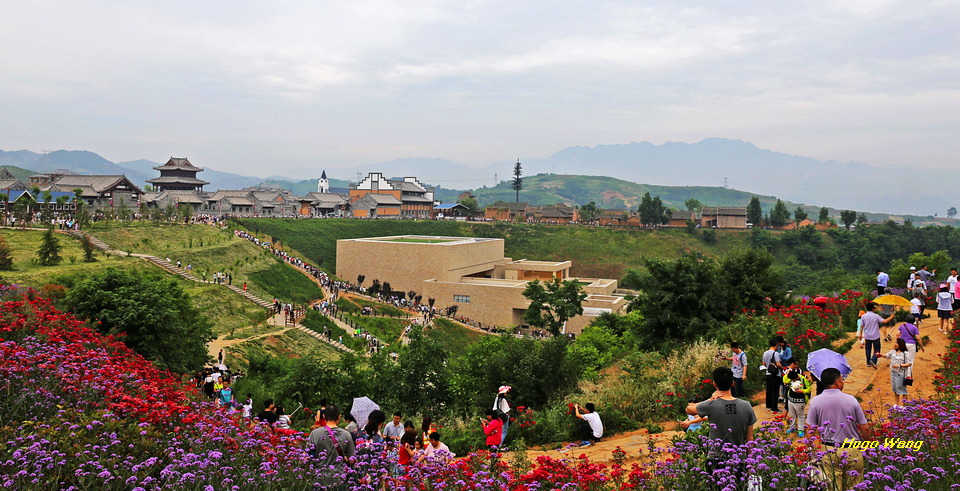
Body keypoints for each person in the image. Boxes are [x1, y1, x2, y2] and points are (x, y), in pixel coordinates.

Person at [806, 368, 871, 490]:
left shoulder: (815, 402)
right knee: (855, 486)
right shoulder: (851, 400)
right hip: (852, 450)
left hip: (829, 452)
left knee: (832, 487)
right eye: (842, 380)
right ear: (836, 382)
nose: (843, 383)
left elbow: (810, 429)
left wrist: (810, 451)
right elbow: (865, 427)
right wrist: (867, 446)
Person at [693, 367, 757, 487]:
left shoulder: (711, 405)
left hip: (715, 461)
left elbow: (689, 409)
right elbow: (750, 440)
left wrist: (710, 399)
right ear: (733, 383)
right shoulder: (746, 406)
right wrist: (750, 464)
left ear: (714, 384)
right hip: (739, 461)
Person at [308, 404, 356, 489]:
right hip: (339, 480)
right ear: (339, 417)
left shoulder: (315, 434)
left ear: (323, 416)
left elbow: (305, 457)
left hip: (319, 480)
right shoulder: (346, 435)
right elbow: (352, 461)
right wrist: (345, 459)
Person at [859, 302, 893, 369]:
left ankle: (868, 362)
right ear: (873, 309)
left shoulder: (863, 316)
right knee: (877, 349)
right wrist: (891, 316)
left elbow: (862, 326)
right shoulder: (876, 316)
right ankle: (873, 360)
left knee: (868, 349)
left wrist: (860, 334)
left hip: (867, 336)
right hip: (875, 336)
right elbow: (884, 321)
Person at [782, 359, 811, 437]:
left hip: (800, 401)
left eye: (793, 380)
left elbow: (809, 389)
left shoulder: (803, 379)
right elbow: (784, 380)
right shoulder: (790, 377)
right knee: (792, 415)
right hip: (791, 400)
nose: (791, 381)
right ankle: (792, 427)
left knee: (800, 415)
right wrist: (787, 374)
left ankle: (800, 429)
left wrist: (802, 391)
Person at [885, 338, 913, 408]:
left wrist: (899, 365)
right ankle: (896, 404)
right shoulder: (893, 352)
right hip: (893, 373)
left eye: (896, 343)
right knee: (895, 389)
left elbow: (909, 363)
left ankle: (904, 406)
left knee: (903, 390)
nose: (895, 344)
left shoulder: (905, 354)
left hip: (901, 374)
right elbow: (886, 355)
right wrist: (879, 355)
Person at [896, 314, 925, 379]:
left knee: (901, 358)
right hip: (911, 345)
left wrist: (896, 342)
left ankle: (900, 373)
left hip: (902, 344)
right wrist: (922, 346)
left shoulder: (902, 326)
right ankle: (908, 375)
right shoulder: (914, 327)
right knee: (910, 360)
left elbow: (897, 334)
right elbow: (918, 338)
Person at [762, 338, 784, 412]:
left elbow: (764, 363)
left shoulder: (765, 353)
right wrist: (783, 368)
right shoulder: (776, 353)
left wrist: (769, 367)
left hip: (768, 373)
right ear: (776, 345)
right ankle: (774, 408)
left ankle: (768, 405)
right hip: (775, 374)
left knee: (769, 390)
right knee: (775, 391)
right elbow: (778, 364)